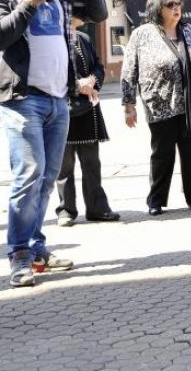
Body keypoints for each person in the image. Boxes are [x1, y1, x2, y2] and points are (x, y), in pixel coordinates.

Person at [0, 0, 107, 287]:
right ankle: (19, 255)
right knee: (29, 175)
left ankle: (37, 247)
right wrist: (30, 2)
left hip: (59, 97)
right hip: (22, 97)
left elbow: (98, 13)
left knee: (46, 179)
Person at [121, 0, 191, 216]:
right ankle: (156, 201)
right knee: (162, 154)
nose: (176, 8)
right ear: (158, 9)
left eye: (179, 4)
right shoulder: (143, 34)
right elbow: (129, 70)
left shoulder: (189, 31)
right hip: (160, 104)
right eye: (171, 5)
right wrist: (128, 105)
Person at [55, 16, 120, 227]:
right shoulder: (53, 37)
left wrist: (92, 80)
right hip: (62, 108)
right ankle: (66, 210)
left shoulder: (83, 37)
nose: (84, 15)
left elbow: (99, 66)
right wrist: (76, 85)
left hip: (87, 109)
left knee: (92, 164)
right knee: (64, 167)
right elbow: (51, 72)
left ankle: (97, 208)